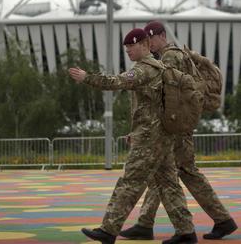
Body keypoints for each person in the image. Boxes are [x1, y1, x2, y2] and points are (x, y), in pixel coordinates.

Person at [69, 28, 198, 244]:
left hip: (149, 140)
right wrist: (136, 130)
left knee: (130, 182)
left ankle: (108, 230)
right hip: (162, 136)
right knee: (168, 184)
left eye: (131, 46)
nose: (128, 50)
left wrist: (86, 78)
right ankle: (186, 232)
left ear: (145, 44)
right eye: (126, 47)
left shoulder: (143, 70)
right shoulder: (160, 67)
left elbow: (116, 82)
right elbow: (151, 107)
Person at [119, 21, 237, 241]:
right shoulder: (171, 56)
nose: (149, 42)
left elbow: (170, 97)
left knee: (183, 171)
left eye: (151, 37)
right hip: (175, 125)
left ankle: (221, 220)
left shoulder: (170, 57)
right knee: (163, 172)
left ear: (162, 35)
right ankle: (145, 223)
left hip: (175, 127)